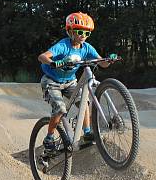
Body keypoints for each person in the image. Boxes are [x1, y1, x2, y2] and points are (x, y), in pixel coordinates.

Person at [36, 12, 117, 151]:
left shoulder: (86, 47)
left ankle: (87, 133)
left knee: (84, 102)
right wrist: (53, 63)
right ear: (70, 31)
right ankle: (49, 138)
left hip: (70, 82)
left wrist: (109, 60)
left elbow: (101, 63)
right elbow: (42, 56)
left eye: (87, 33)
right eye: (80, 32)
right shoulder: (63, 45)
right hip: (51, 81)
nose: (83, 36)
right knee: (60, 109)